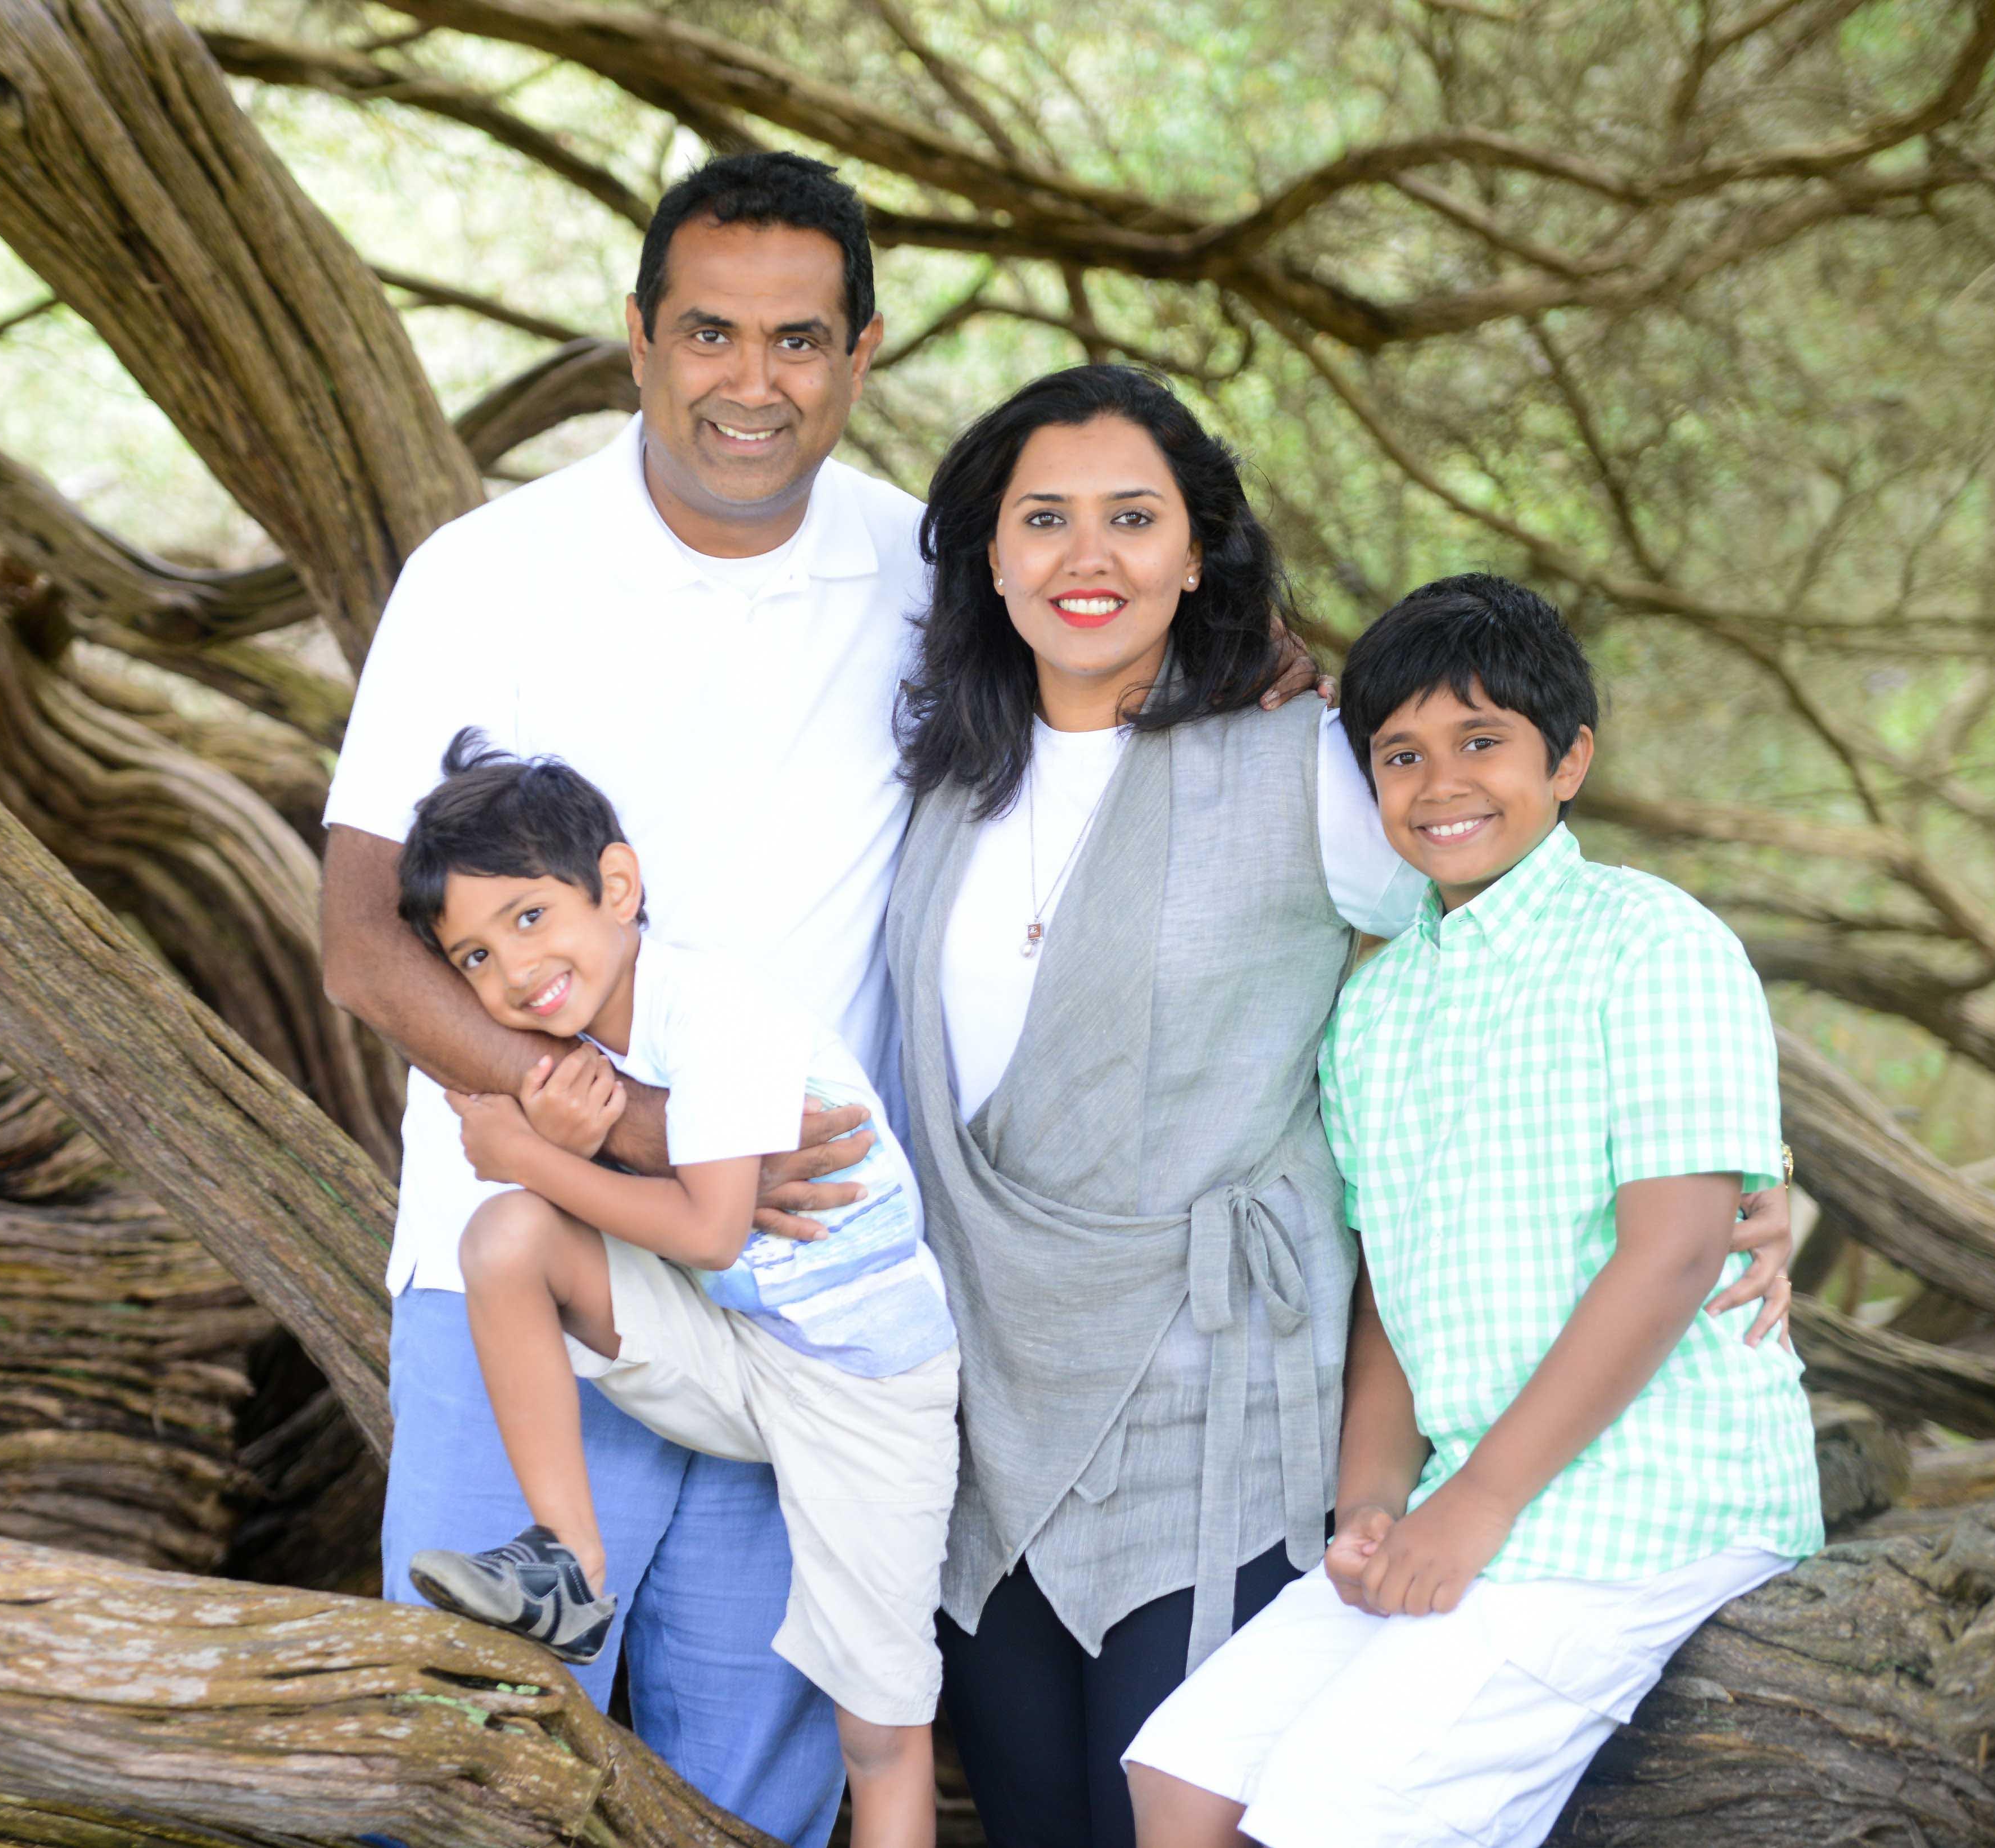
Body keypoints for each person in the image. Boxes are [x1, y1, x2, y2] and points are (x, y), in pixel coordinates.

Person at [879, 368, 1800, 1848]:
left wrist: (1754, 1181)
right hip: (985, 1377)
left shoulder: (1301, 769)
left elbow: (1511, 911)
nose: (1088, 554)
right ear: (990, 551)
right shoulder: (932, 776)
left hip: (1216, 1396)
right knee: (1066, 1811)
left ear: (1200, 550)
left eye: (1134, 517)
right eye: (1044, 518)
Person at [321, 150, 925, 1844]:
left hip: (793, 1305)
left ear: (861, 354)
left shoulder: (930, 575)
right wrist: (652, 1129)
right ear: (640, 339)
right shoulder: (485, 571)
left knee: (746, 1795)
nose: (755, 382)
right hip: (514, 1262)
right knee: (467, 1765)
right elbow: (366, 941)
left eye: (800, 340)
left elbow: (1142, 665)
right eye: (712, 334)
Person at [1120, 574, 1824, 1848]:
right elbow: (1395, 1281)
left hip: (1652, 1495)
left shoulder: (1652, 940)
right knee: (1182, 1773)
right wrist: (1374, 1499)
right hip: (1469, 1487)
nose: (1442, 783)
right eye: (1402, 754)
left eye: (1483, 740)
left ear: (1570, 761)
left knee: (1335, 1811)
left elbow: (1671, 1256)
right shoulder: (1379, 1013)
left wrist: (1480, 1504)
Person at [391, 731, 959, 1848]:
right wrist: (548, 1156)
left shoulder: (717, 1007)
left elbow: (707, 1228)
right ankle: (570, 1561)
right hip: (739, 1349)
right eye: (472, 957)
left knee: (880, 1733)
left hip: (863, 1388)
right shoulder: (584, 1048)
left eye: (529, 918)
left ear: (618, 884)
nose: (511, 970)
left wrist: (534, 1154)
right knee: (505, 1237)